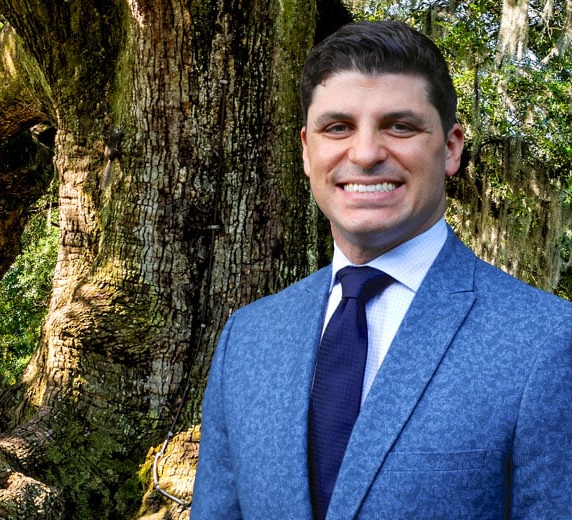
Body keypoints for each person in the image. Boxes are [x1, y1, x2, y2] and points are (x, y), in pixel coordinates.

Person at [192, 20, 572, 519]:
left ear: (451, 147)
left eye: (400, 125)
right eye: (338, 127)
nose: (367, 153)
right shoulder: (249, 337)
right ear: (307, 150)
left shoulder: (547, 340)